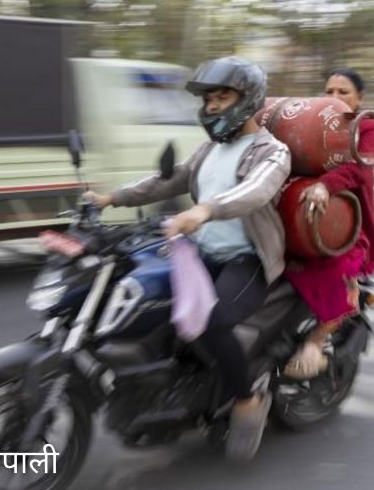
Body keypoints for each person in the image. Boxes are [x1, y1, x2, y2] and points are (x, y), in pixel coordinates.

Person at [83, 56, 291, 462]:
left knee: (213, 321)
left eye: (222, 97)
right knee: (149, 299)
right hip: (202, 252)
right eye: (209, 99)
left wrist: (205, 210)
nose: (212, 106)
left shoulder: (271, 151)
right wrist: (111, 198)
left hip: (246, 260)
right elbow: (167, 180)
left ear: (249, 99)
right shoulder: (210, 149)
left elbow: (255, 191)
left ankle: (247, 401)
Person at [282, 67, 374, 379]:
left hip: (346, 223)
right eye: (329, 92)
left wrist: (325, 186)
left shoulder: (367, 126)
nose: (335, 97)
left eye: (343, 92)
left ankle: (317, 340)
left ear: (359, 98)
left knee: (334, 271)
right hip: (306, 217)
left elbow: (359, 169)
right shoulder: (315, 122)